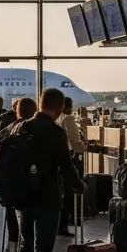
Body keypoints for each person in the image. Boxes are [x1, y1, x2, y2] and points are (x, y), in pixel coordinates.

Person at [14, 87, 84, 252]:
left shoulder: (21, 127)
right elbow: (65, 167)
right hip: (48, 200)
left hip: (24, 199)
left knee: (25, 250)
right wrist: (79, 186)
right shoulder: (55, 133)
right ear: (59, 107)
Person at [0, 97, 37, 252]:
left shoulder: (9, 128)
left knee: (10, 210)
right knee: (28, 216)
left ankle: (12, 243)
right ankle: (26, 247)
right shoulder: (33, 129)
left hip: (9, 179)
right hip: (27, 181)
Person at [56, 96, 86, 235]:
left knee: (60, 192)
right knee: (68, 193)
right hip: (69, 159)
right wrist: (84, 146)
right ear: (69, 107)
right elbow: (75, 142)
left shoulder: (56, 118)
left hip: (57, 160)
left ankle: (58, 224)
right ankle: (63, 225)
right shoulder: (68, 119)